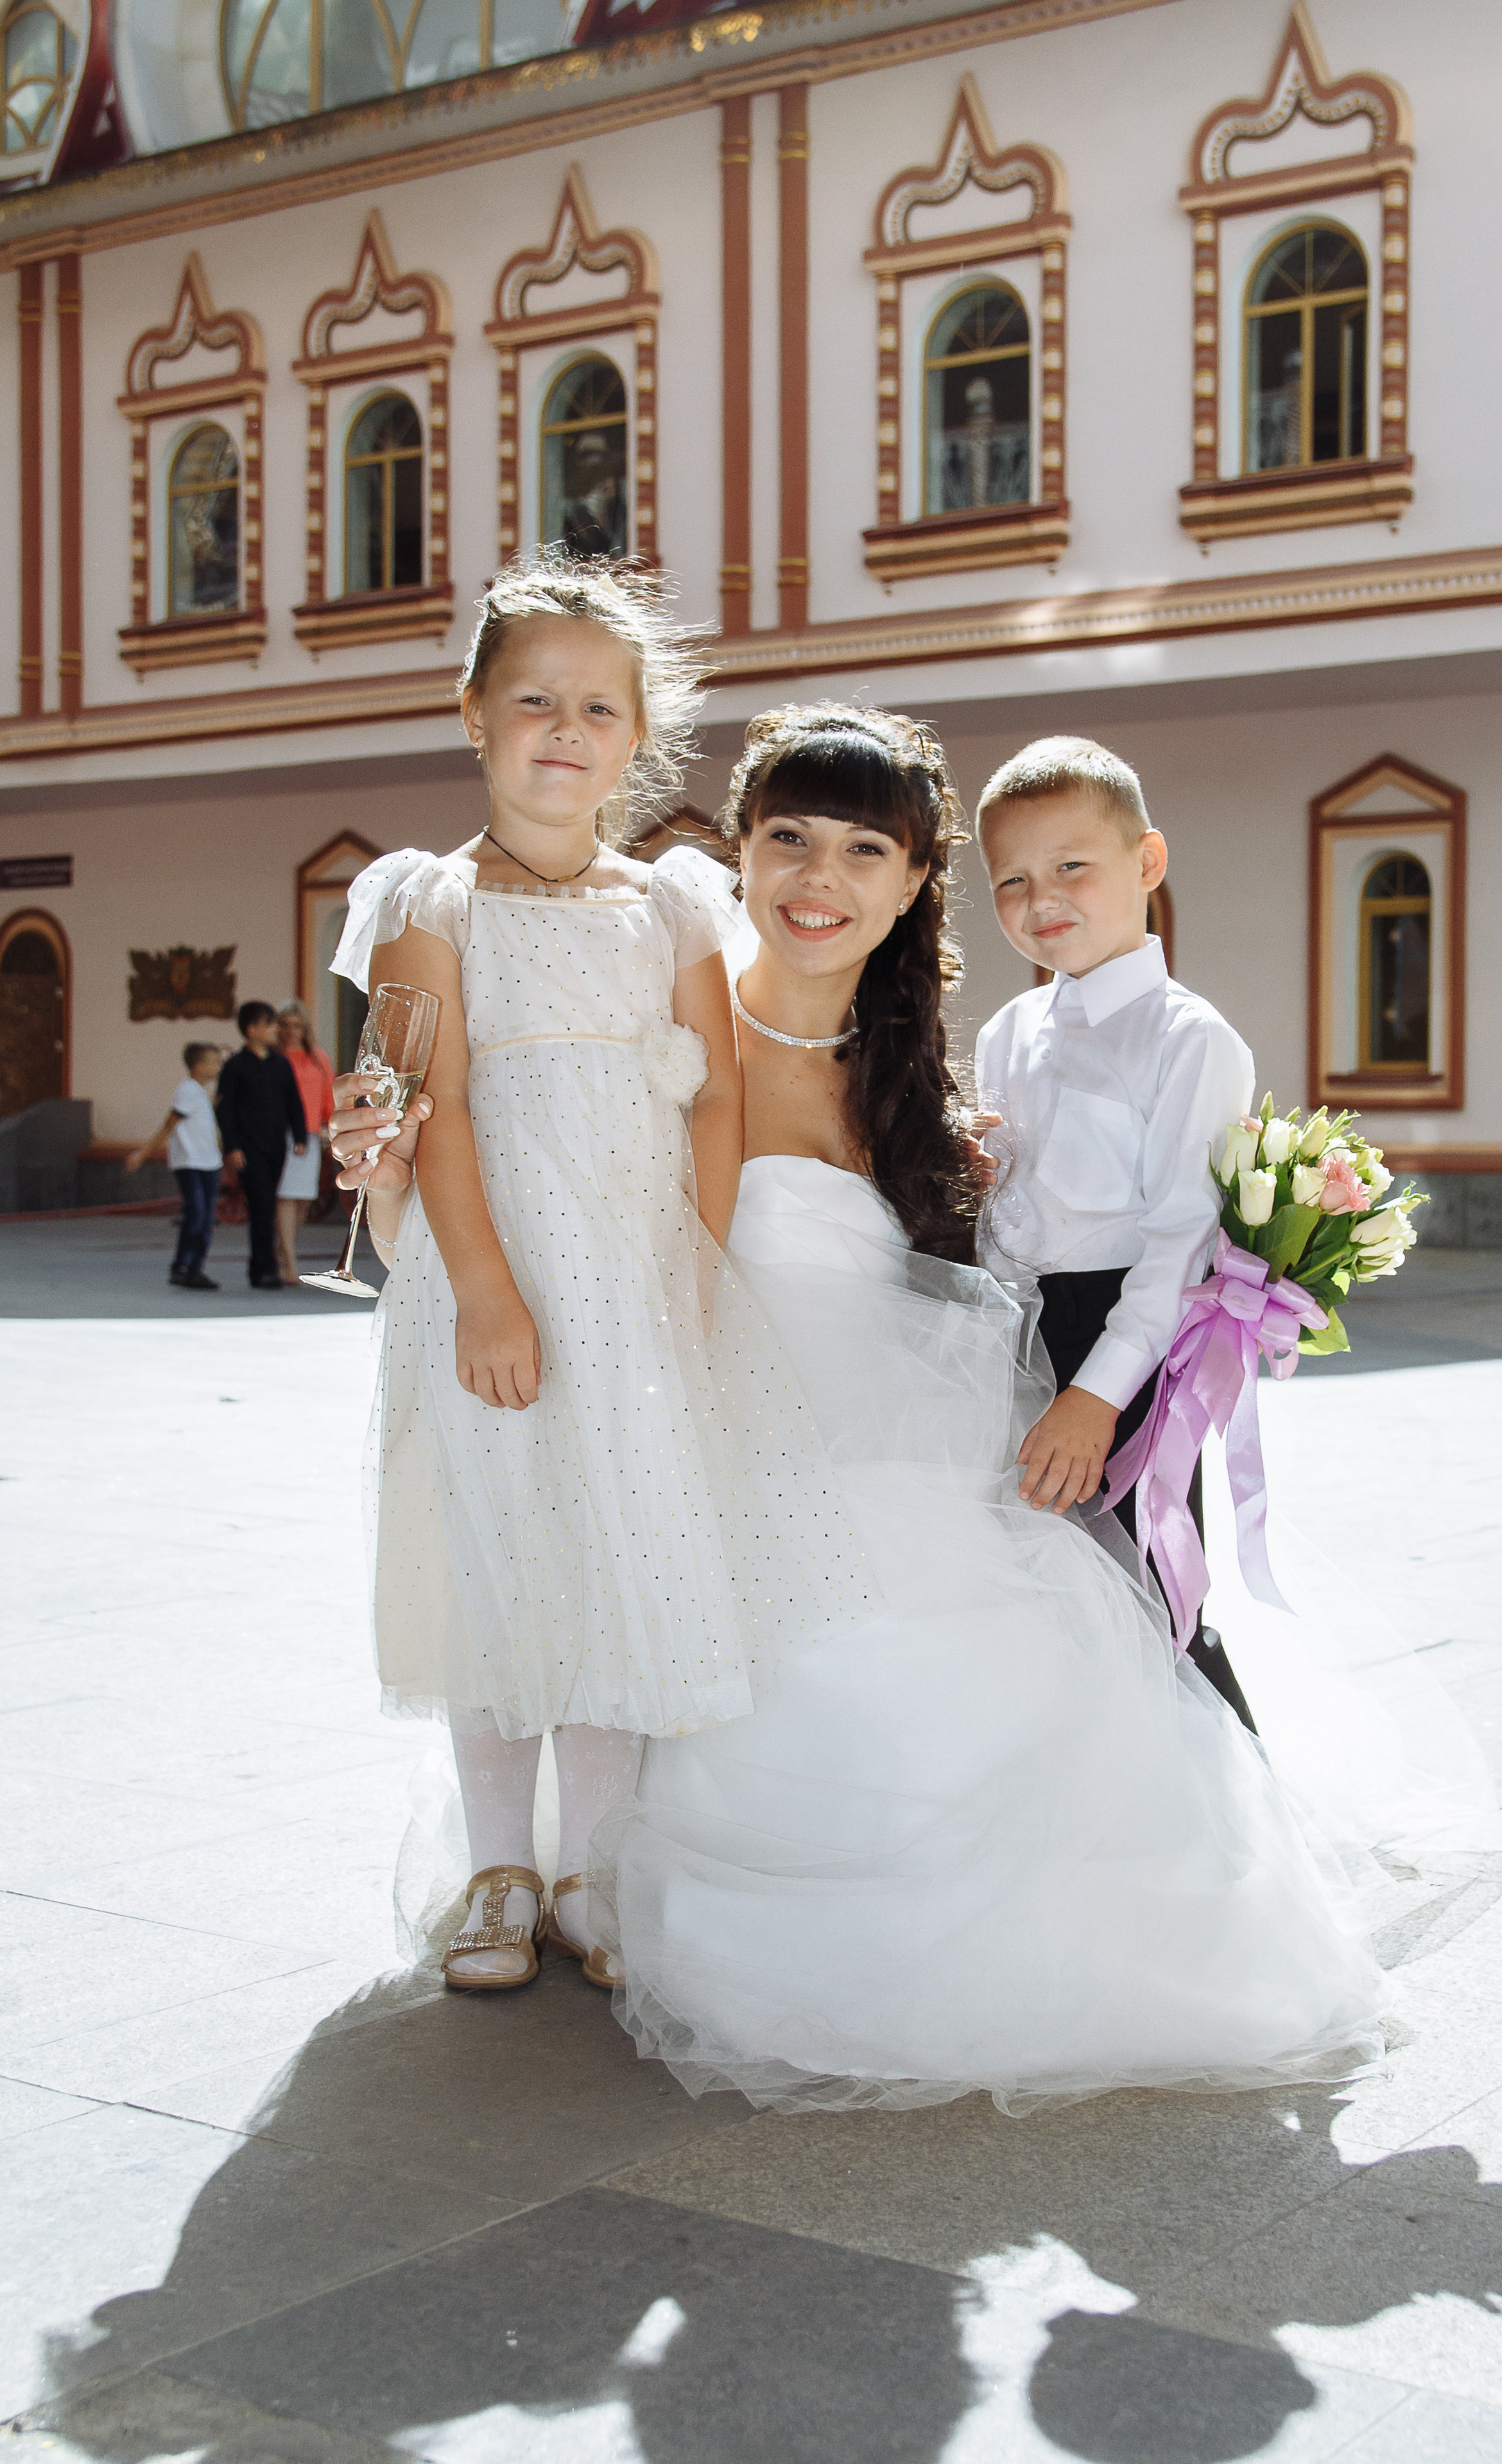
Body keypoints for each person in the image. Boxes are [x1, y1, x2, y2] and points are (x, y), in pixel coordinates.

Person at [338, 705, 1404, 2115]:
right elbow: (538, 1189)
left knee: (992, 1671)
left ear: (912, 886)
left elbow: (1039, 1257)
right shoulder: (661, 1026)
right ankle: (553, 1868)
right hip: (695, 1426)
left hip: (903, 1422)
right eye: (785, 839)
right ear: (737, 851)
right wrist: (385, 1162)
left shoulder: (934, 1078)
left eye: (863, 851)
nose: (816, 879)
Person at [329, 552, 865, 1998]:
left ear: (636, 735)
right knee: (498, 1544)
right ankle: (498, 1866)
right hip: (487, 1275)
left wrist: (692, 1271)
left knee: (625, 1544)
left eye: (596, 709)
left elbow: (708, 1098)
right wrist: (488, 1289)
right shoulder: (429, 901)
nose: (563, 733)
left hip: (632, 1277)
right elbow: (426, 1106)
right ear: (472, 713)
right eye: (532, 703)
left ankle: (596, 1869)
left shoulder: (676, 906)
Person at [974, 737, 1257, 1728]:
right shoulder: (1004, 1033)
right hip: (1018, 1331)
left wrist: (1097, 1397)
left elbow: (1182, 1245)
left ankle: (1222, 1806)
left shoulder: (1192, 1039)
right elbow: (1008, 1211)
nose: (1041, 898)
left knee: (1150, 1580)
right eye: (1011, 879)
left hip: (1125, 1341)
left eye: (1070, 867)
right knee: (1040, 1579)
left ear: (1147, 862)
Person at [216, 1001, 308, 1292]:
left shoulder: (280, 1063)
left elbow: (293, 1100)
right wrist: (233, 1147)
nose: (275, 1031)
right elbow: (225, 1110)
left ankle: (265, 1268)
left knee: (267, 1204)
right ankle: (264, 1270)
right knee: (261, 1206)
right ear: (252, 1029)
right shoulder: (235, 1066)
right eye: (270, 1025)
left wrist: (301, 1135)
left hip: (276, 1145)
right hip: (248, 1148)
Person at [125, 1040, 223, 1290]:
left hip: (209, 1162)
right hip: (191, 1162)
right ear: (198, 1065)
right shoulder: (188, 1090)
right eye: (214, 1062)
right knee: (197, 1214)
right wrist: (143, 1154)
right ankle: (184, 1265)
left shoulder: (200, 1092)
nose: (218, 1066)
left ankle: (193, 1267)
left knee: (205, 1217)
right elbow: (169, 1125)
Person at [274, 1000, 335, 1287]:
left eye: (296, 1025)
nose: (290, 1031)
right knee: (286, 1196)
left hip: (311, 1133)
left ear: (305, 1028)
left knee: (303, 1200)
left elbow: (327, 1094)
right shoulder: (274, 1056)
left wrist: (330, 1125)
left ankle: (280, 1250)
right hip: (280, 1132)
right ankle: (289, 1260)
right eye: (285, 1025)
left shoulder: (317, 1057)